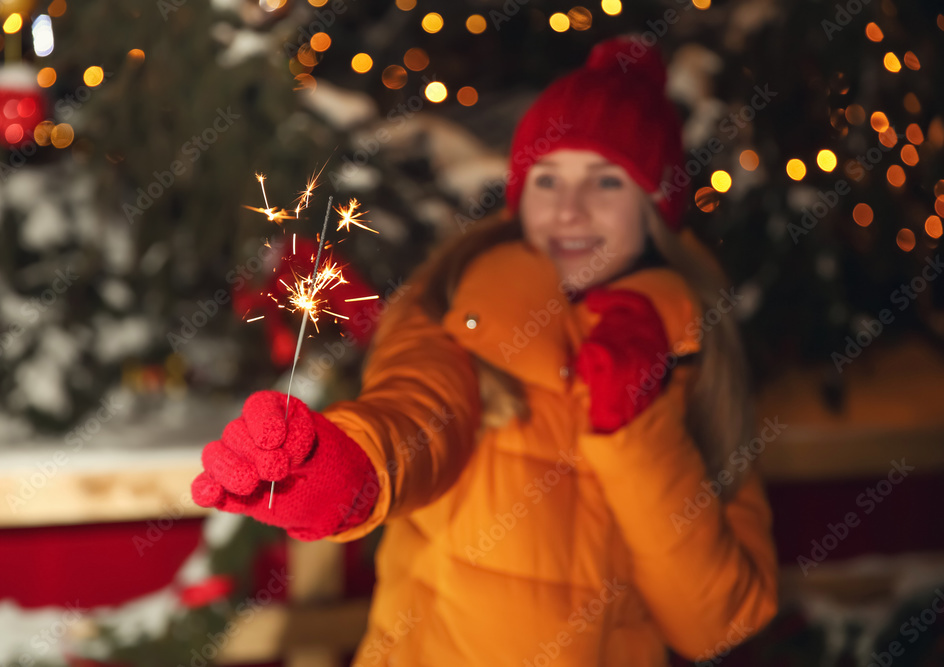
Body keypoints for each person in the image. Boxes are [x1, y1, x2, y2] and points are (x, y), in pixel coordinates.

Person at [192, 35, 778, 666]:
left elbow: (715, 622)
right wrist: (342, 472)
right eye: (549, 178)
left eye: (606, 181)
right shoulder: (461, 306)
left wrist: (634, 429)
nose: (570, 210)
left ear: (655, 207)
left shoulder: (692, 351)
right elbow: (416, 413)